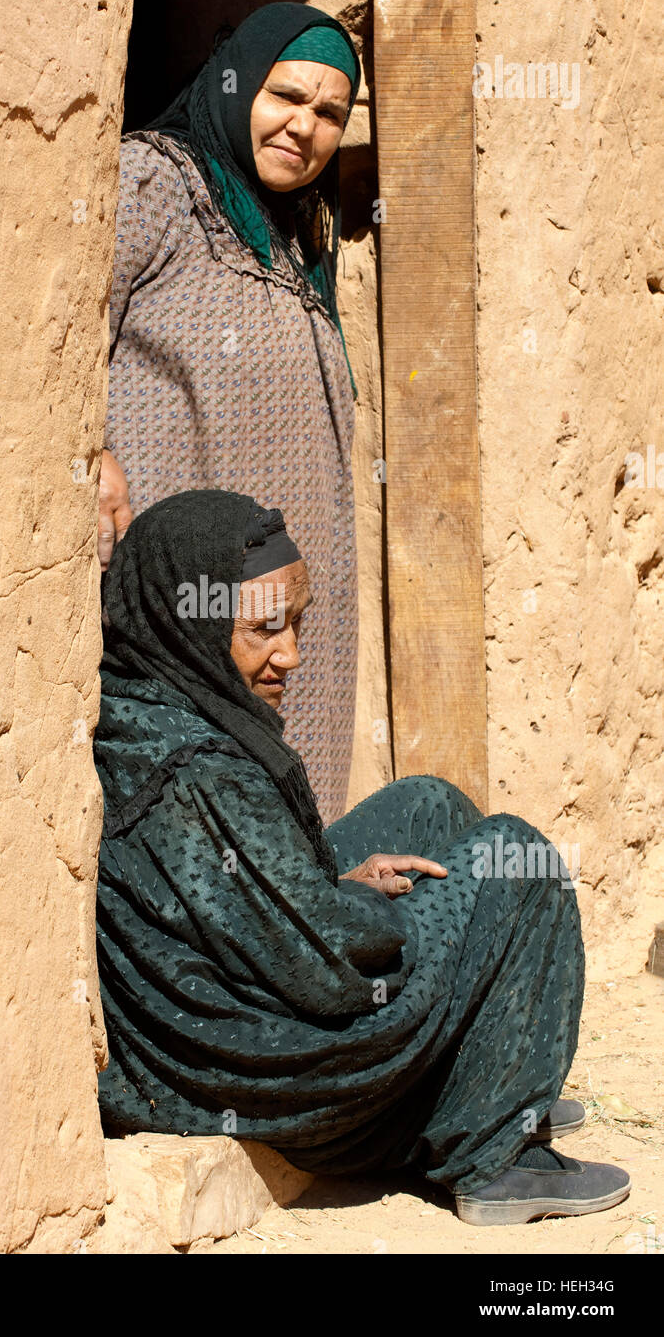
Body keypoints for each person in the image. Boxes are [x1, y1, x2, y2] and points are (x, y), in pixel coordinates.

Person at [93, 489, 630, 1226]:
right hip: (261, 1061)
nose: (291, 654)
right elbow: (328, 969)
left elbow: (234, 896)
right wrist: (364, 904)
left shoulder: (148, 695)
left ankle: (489, 1076)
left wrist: (329, 884)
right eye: (263, 630)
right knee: (518, 859)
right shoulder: (196, 774)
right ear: (189, 621)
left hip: (239, 998)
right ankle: (489, 1156)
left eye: (298, 623)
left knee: (429, 803)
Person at [100, 1, 363, 823]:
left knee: (288, 799)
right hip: (190, 584)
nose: (304, 127)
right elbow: (60, 330)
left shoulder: (296, 235)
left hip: (289, 587)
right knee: (194, 791)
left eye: (330, 113)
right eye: (285, 96)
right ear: (237, 81)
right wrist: (89, 452)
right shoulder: (155, 181)